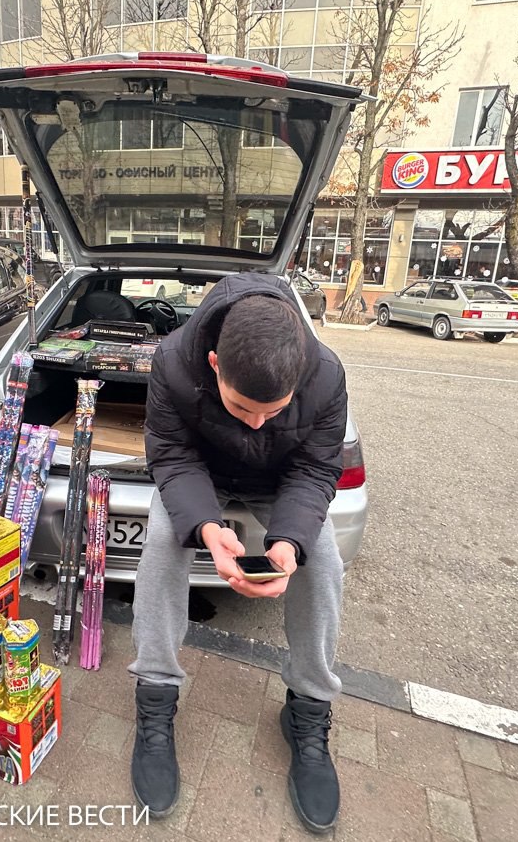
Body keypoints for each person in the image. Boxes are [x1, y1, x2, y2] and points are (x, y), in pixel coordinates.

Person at [129, 273, 348, 834]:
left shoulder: (326, 375)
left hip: (280, 484)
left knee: (322, 561)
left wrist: (289, 539)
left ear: (298, 379)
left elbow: (317, 468)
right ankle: (155, 696)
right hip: (199, 474)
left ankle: (308, 706)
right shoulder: (172, 362)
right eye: (243, 407)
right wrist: (204, 526)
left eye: (273, 412)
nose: (256, 422)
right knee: (161, 542)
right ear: (214, 364)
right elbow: (172, 457)